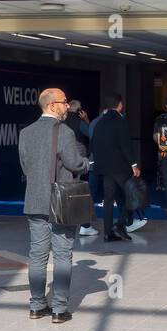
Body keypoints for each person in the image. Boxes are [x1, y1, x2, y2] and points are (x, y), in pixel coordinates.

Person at [19, 88, 89, 323]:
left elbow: (25, 166)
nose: (67, 106)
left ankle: (37, 306)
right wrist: (86, 164)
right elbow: (74, 163)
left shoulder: (26, 132)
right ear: (51, 105)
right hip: (60, 202)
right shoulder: (65, 132)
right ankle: (59, 309)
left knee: (37, 256)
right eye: (64, 102)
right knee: (62, 255)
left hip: (34, 200)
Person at [92, 92, 142, 241]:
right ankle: (120, 224)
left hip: (104, 167)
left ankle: (108, 233)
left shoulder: (100, 122)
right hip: (119, 166)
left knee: (108, 199)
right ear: (120, 104)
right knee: (131, 195)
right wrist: (134, 164)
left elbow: (93, 143)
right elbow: (125, 145)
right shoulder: (121, 121)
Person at [67, 100, 96, 237]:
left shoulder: (60, 122)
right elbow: (93, 134)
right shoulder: (79, 122)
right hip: (78, 160)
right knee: (80, 191)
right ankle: (84, 225)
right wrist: (86, 119)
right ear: (79, 111)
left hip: (63, 160)